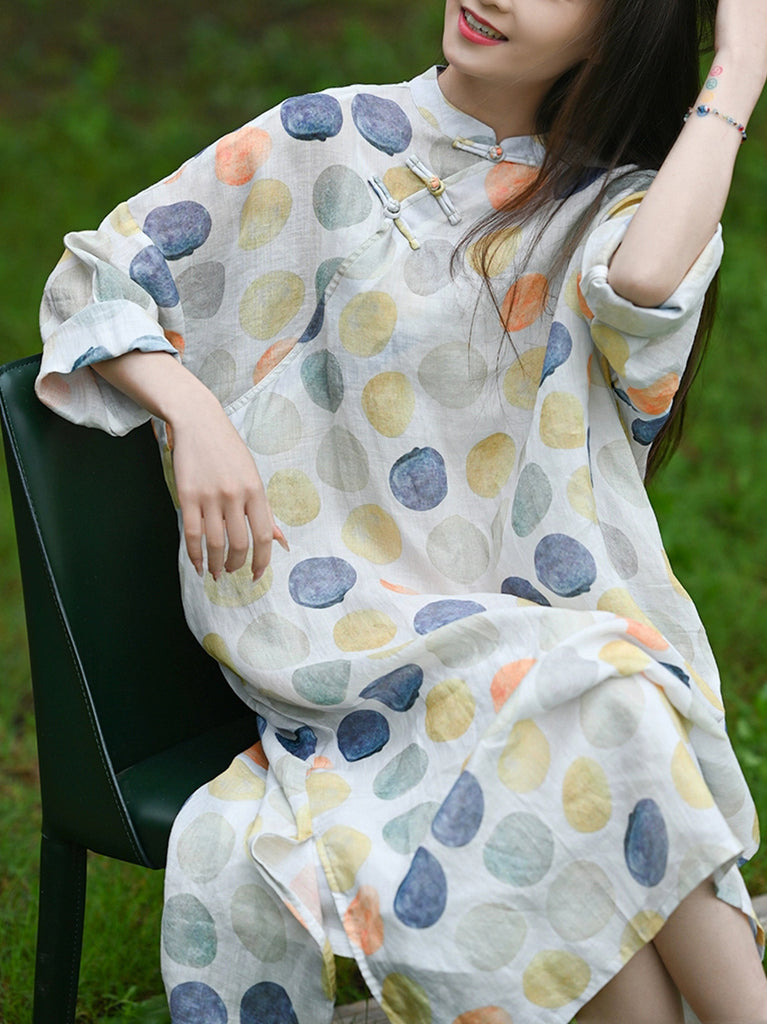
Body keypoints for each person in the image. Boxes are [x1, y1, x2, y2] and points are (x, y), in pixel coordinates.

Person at [37, 0, 767, 1021]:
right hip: (339, 640)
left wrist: (739, 59)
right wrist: (191, 408)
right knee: (606, 699)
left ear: (613, 32)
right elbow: (97, 272)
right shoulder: (326, 138)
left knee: (598, 713)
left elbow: (642, 279)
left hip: (535, 645)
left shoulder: (623, 211)